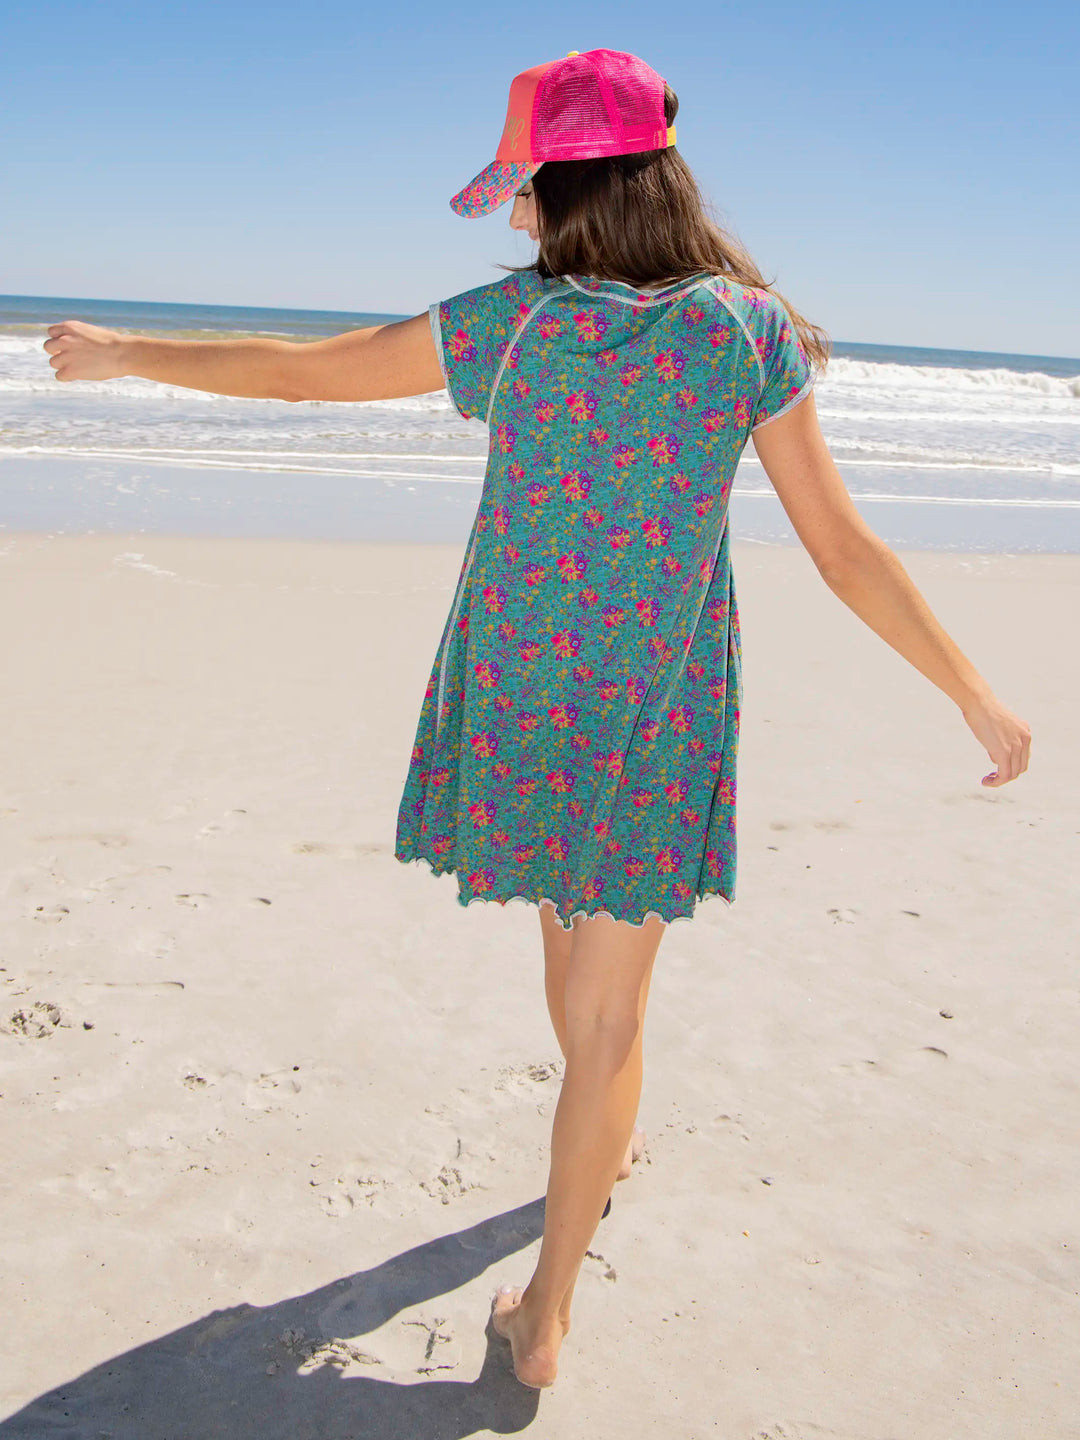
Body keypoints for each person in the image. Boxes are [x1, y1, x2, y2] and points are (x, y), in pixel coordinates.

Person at [44, 47, 1031, 1392]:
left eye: (524, 188)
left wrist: (127, 354)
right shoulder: (746, 333)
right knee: (608, 1014)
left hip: (522, 696)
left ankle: (547, 1303)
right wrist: (971, 691)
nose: (512, 213)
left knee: (585, 1001)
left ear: (578, 187)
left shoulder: (516, 330)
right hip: (655, 709)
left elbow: (302, 375)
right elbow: (844, 548)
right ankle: (576, 1223)